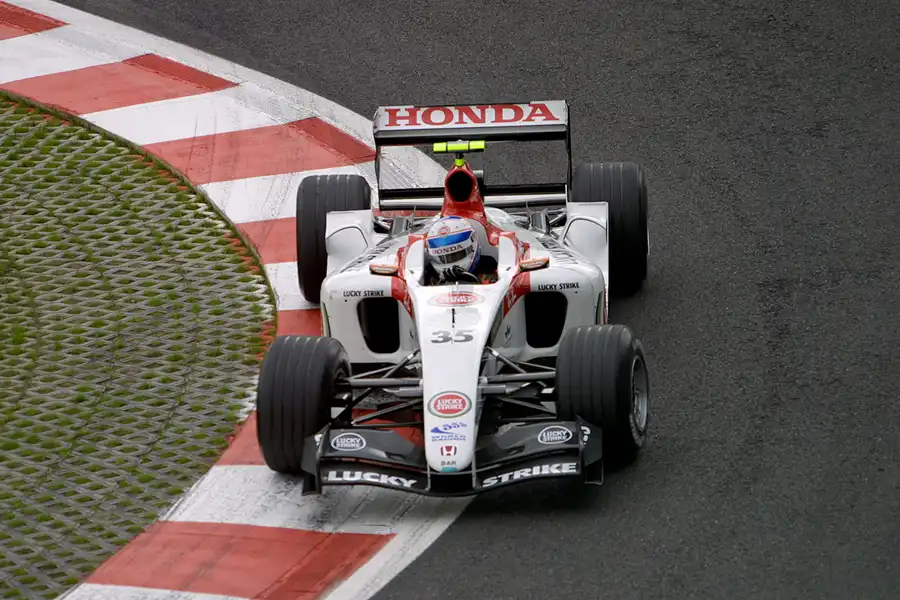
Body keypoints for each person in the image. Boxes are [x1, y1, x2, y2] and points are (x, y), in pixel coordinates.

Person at [424, 216, 497, 284]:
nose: (450, 264)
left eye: (455, 255)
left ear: (472, 245)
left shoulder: (489, 267)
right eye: (442, 258)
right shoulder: (428, 275)